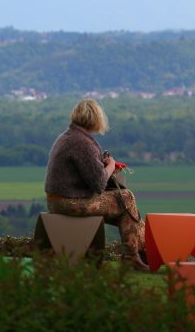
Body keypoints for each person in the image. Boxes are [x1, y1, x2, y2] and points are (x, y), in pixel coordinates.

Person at [44, 98, 149, 271]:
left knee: (127, 212)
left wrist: (103, 166)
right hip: (70, 203)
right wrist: (111, 165)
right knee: (126, 197)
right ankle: (135, 255)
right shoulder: (83, 143)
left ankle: (138, 254)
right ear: (96, 119)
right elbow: (99, 183)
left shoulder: (67, 137)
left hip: (57, 200)